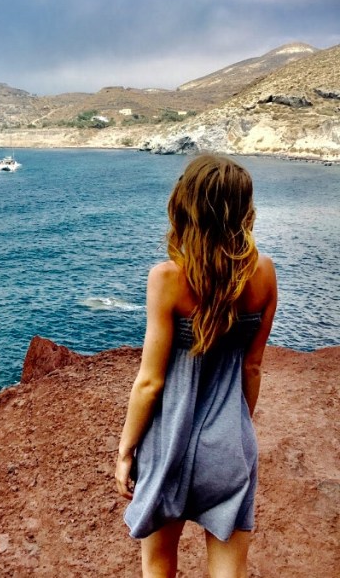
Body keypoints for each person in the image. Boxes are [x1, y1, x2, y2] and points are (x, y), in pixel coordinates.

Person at [115, 153, 278, 578]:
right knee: (229, 570)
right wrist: (236, 428)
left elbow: (150, 382)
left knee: (158, 563)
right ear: (244, 209)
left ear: (186, 206)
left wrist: (125, 450)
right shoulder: (263, 274)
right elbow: (253, 368)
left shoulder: (167, 279)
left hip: (167, 443)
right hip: (229, 446)